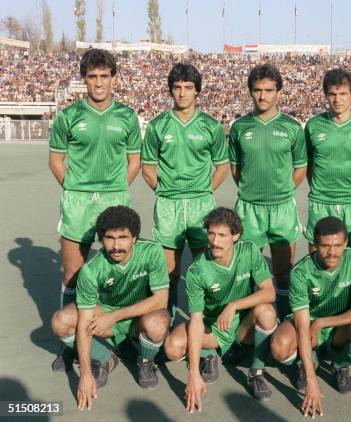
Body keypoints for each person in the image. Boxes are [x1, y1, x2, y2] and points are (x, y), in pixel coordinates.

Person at [48, 49, 141, 371]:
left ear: (113, 78)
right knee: (72, 275)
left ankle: (122, 337)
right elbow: (56, 161)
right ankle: (69, 345)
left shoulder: (127, 116)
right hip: (78, 202)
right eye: (92, 77)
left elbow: (134, 161)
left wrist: (116, 190)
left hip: (115, 199)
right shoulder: (69, 116)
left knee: (120, 271)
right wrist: (75, 190)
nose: (98, 83)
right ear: (84, 79)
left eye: (104, 76)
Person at [50, 206, 170, 410]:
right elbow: (85, 321)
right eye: (109, 238)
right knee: (61, 321)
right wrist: (85, 375)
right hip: (105, 314)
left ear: (134, 238)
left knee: (158, 323)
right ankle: (104, 357)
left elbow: (160, 301)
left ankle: (145, 360)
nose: (116, 246)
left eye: (123, 237)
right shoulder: (91, 270)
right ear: (101, 239)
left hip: (138, 317)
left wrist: (115, 316)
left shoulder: (152, 252)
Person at [164, 207, 277, 408]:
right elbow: (197, 319)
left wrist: (234, 305)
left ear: (236, 236)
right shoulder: (197, 270)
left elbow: (269, 292)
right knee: (172, 348)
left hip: (243, 324)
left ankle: (256, 374)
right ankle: (210, 354)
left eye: (222, 235)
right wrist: (193, 375)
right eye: (211, 234)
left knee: (267, 312)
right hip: (214, 327)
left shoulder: (249, 251)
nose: (215, 241)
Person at [141, 63, 228, 320]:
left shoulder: (210, 126)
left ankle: (207, 326)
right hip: (169, 205)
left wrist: (202, 191)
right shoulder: (158, 126)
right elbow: (147, 168)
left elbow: (221, 167)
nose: (182, 93)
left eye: (188, 88)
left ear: (197, 91)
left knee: (206, 268)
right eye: (177, 88)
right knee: (169, 271)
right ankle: (164, 324)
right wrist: (166, 191)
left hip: (202, 204)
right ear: (170, 91)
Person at [270, 217, 351, 418]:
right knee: (280, 347)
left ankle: (340, 365)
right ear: (315, 245)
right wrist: (312, 381)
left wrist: (323, 322)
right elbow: (302, 326)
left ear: (345, 243)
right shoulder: (301, 272)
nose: (332, 252)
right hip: (308, 323)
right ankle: (307, 361)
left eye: (337, 245)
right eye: (325, 246)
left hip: (339, 323)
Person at [228, 63, 307, 318]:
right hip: (249, 208)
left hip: (282, 207)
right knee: (247, 272)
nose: (262, 96)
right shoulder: (240, 127)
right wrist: (253, 191)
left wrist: (281, 191)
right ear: (250, 92)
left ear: (279, 92)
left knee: (284, 271)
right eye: (257, 90)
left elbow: (300, 168)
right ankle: (247, 329)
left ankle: (285, 320)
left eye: (269, 90)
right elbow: (235, 168)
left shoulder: (292, 128)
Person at [304, 68, 351, 258]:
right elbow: (309, 165)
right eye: (332, 94)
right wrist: (321, 188)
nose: (337, 99)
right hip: (321, 202)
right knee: (317, 261)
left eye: (343, 94)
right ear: (326, 95)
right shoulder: (313, 126)